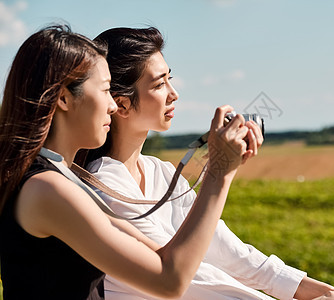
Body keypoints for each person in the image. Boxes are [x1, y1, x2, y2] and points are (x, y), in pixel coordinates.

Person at [84, 27, 334, 300]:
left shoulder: (160, 171)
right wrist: (220, 171)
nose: (174, 94)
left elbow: (227, 252)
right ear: (121, 104)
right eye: (160, 85)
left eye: (170, 80)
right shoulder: (105, 185)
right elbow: (191, 280)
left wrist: (319, 290)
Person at [0, 25, 254, 300]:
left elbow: (161, 255)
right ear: (63, 98)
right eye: (106, 90)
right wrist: (220, 173)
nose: (113, 105)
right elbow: (169, 280)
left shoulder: (64, 177)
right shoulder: (46, 189)